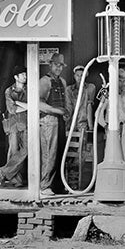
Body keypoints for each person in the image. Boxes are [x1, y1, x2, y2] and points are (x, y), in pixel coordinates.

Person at [38, 53, 69, 196]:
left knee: (60, 153)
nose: (58, 67)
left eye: (61, 65)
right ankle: (45, 186)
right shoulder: (45, 81)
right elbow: (39, 104)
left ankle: (58, 186)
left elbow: (65, 102)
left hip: (60, 121)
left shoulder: (62, 81)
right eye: (56, 64)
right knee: (50, 153)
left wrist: (66, 112)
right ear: (50, 64)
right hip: (48, 121)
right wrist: (57, 111)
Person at [0, 66, 28, 187]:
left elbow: (33, 105)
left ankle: (4, 171)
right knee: (13, 151)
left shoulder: (29, 89)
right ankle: (16, 180)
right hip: (13, 124)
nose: (25, 77)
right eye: (22, 74)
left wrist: (18, 103)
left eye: (25, 74)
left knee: (27, 150)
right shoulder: (9, 91)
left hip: (26, 123)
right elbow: (11, 109)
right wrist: (26, 106)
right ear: (16, 77)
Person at [97, 67, 125, 162]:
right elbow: (98, 112)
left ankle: (123, 175)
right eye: (120, 81)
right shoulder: (107, 95)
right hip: (112, 127)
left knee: (124, 154)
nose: (122, 84)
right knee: (111, 154)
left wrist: (122, 97)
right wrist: (105, 125)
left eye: (124, 81)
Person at [66, 64, 96, 133]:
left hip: (83, 124)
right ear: (74, 76)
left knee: (82, 142)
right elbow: (68, 107)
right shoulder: (69, 90)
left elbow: (89, 106)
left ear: (86, 75)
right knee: (70, 143)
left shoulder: (90, 88)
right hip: (70, 123)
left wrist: (91, 126)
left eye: (82, 75)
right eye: (77, 75)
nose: (79, 77)